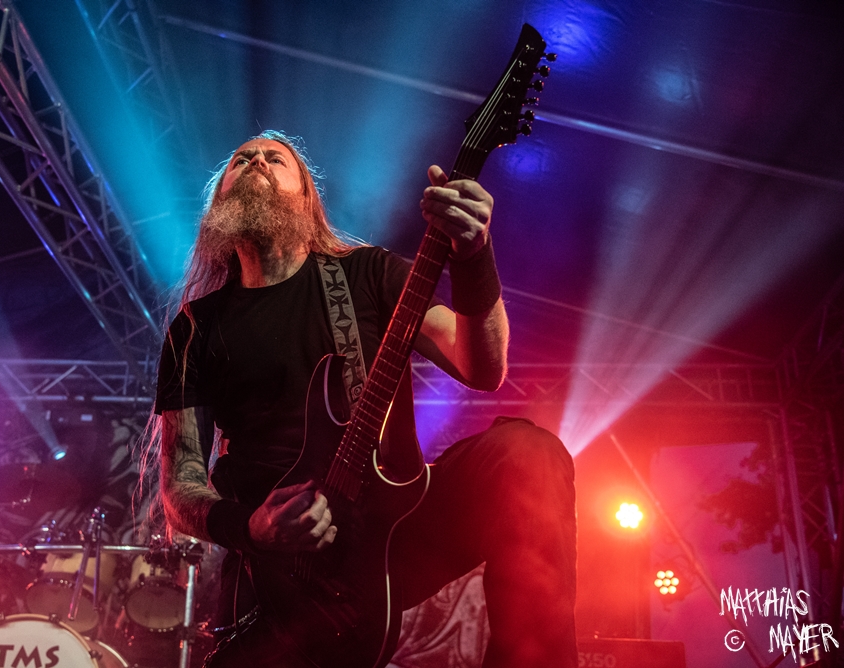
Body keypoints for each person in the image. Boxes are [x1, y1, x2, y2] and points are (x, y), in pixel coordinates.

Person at [153, 130, 577, 667]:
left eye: (275, 159)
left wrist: (474, 257)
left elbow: (482, 366)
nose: (256, 160)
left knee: (525, 455)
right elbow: (181, 485)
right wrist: (251, 527)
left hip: (392, 525)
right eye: (242, 159)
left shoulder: (368, 274)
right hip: (280, 566)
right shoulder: (195, 328)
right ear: (219, 200)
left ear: (307, 199)